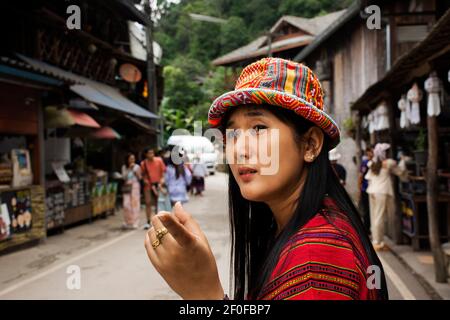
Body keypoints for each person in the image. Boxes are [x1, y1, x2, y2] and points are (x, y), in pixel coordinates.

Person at [144, 58, 388, 300]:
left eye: (259, 128)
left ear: (311, 144)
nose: (239, 149)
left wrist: (205, 294)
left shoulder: (315, 255)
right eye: (233, 133)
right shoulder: (295, 228)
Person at [365, 143, 404, 251]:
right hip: (381, 192)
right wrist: (403, 160)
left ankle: (377, 240)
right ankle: (378, 241)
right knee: (379, 217)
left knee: (374, 217)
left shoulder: (372, 163)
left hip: (372, 191)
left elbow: (368, 178)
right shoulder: (389, 163)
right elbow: (400, 171)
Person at [141, 148, 166, 230]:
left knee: (157, 203)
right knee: (148, 203)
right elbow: (143, 175)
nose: (151, 154)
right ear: (146, 154)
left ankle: (157, 220)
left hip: (158, 185)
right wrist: (145, 180)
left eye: (152, 153)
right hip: (148, 186)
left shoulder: (159, 160)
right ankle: (148, 221)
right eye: (149, 153)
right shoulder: (143, 163)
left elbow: (163, 173)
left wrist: (162, 181)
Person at [121, 153, 141, 229]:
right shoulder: (124, 167)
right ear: (127, 159)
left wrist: (135, 171)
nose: (132, 160)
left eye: (133, 158)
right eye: (131, 158)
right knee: (126, 204)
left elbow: (139, 177)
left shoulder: (137, 167)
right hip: (127, 186)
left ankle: (135, 222)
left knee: (135, 204)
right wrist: (129, 168)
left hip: (135, 186)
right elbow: (124, 177)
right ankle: (127, 221)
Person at [359, 147, 374, 235]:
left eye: (372, 152)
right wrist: (360, 189)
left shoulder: (375, 162)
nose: (371, 154)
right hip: (365, 189)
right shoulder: (365, 163)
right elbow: (360, 176)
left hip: (373, 189)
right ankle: (366, 229)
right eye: (370, 152)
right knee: (367, 210)